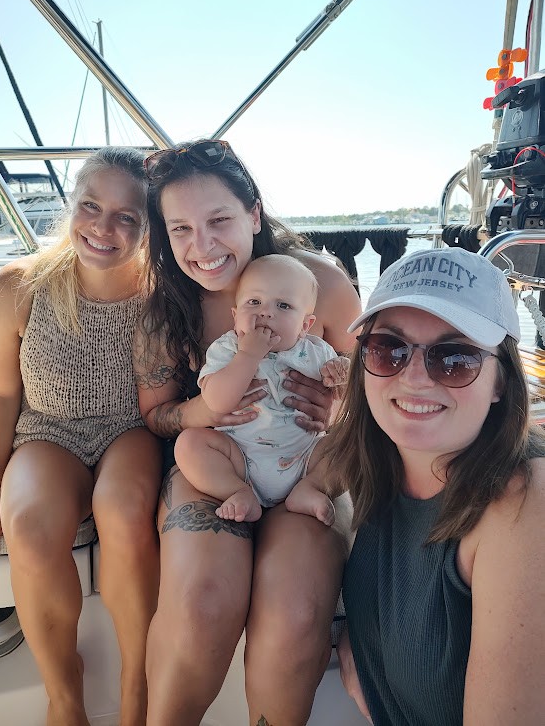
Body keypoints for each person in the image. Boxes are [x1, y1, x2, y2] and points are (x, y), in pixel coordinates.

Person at [134, 138, 362, 725]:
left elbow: (377, 383)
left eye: (219, 221)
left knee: (296, 610)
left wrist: (339, 405)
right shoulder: (167, 309)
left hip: (306, 464)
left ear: (254, 214)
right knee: (201, 602)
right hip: (222, 464)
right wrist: (205, 411)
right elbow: (157, 415)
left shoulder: (320, 286)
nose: (203, 246)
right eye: (181, 229)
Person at [0, 147, 162, 726]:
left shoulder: (162, 294)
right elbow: (2, 394)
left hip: (130, 431)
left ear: (148, 226)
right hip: (47, 433)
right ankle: (64, 693)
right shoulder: (19, 287)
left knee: (124, 509)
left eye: (127, 217)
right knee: (27, 526)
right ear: (71, 205)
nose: (103, 227)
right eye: (91, 206)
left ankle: (136, 683)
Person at [328, 247, 545, 725]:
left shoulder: (525, 502)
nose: (414, 378)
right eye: (388, 349)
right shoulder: (378, 462)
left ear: (500, 382)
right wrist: (350, 643)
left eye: (455, 358)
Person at [175, 253, 348, 525]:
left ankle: (311, 488)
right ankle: (237, 492)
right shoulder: (228, 348)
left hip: (304, 455)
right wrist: (247, 356)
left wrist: (341, 376)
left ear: (305, 325)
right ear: (235, 316)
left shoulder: (316, 352)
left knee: (352, 447)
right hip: (239, 458)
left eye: (283, 305)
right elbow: (216, 402)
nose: (266, 312)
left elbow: (340, 402)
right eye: (254, 302)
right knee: (189, 444)